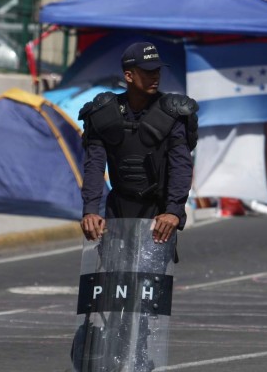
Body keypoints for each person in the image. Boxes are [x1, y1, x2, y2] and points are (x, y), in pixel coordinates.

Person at [78, 41, 198, 244]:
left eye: (157, 71)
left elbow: (181, 167)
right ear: (129, 76)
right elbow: (94, 165)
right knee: (111, 275)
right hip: (116, 213)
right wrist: (90, 211)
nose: (155, 77)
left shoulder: (173, 113)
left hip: (158, 218)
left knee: (151, 276)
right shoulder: (103, 113)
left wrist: (174, 211)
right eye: (148, 71)